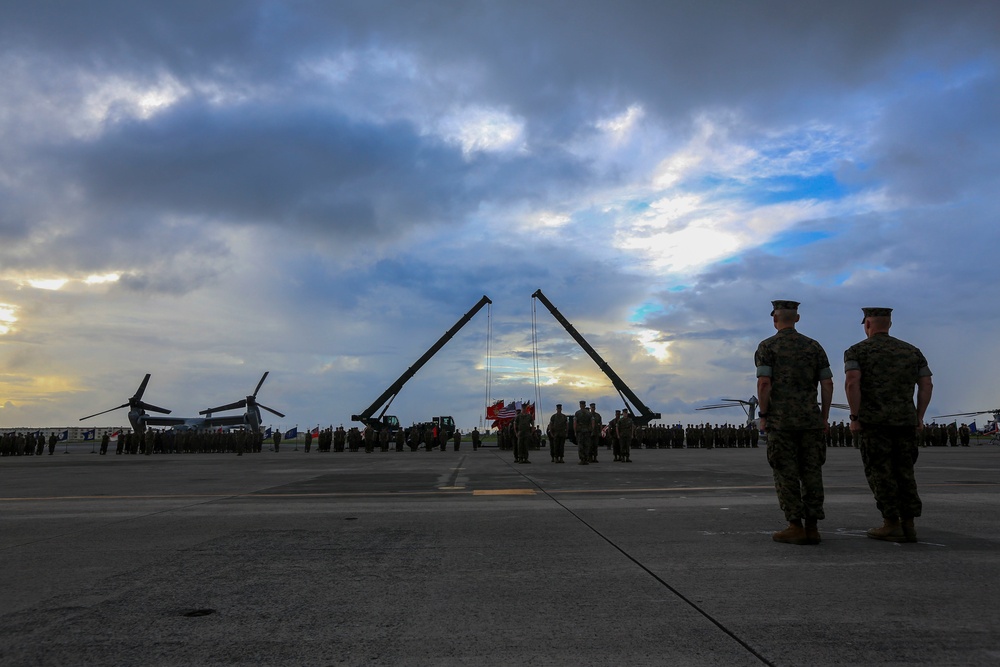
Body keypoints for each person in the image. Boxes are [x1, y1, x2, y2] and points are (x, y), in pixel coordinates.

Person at [845, 307, 933, 543]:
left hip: (874, 424)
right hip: (905, 421)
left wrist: (854, 417)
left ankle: (891, 523)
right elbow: (926, 385)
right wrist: (919, 416)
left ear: (868, 324)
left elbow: (852, 382)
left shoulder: (856, 351)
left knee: (880, 472)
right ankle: (909, 524)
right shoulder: (912, 351)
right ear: (890, 324)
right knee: (905, 471)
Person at [755, 300, 833, 546]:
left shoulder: (767, 347)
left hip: (781, 423)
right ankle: (812, 527)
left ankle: (795, 526)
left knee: (786, 474)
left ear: (774, 319)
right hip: (811, 422)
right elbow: (828, 384)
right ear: (797, 319)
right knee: (812, 473)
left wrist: (764, 415)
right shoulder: (814, 346)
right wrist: (823, 417)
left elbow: (764, 384)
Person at [573, 400, 593, 465]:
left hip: (580, 431)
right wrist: (591, 429)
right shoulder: (589, 413)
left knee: (580, 445)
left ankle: (582, 459)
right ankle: (586, 459)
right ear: (585, 405)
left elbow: (575, 423)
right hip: (587, 431)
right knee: (587, 445)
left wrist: (575, 431)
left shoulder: (577, 413)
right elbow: (592, 422)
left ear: (580, 405)